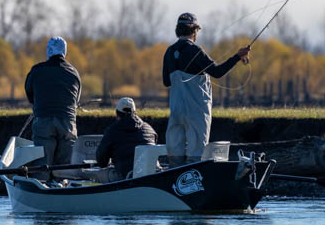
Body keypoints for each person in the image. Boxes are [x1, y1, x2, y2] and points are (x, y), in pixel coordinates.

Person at [162, 12, 250, 165]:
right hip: (196, 112)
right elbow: (217, 72)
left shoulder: (169, 52)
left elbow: (166, 82)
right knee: (196, 155)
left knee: (175, 155)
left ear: (178, 29)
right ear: (194, 30)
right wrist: (237, 56)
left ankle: (174, 181)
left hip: (176, 111)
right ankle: (192, 183)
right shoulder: (195, 51)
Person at [24, 36, 81, 168]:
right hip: (67, 122)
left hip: (43, 120)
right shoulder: (74, 73)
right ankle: (63, 185)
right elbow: (75, 100)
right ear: (64, 51)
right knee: (65, 168)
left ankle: (42, 185)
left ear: (49, 51)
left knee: (42, 165)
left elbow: (29, 94)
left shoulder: (36, 70)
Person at [95, 97, 158, 180]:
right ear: (135, 112)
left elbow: (102, 162)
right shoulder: (149, 128)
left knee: (99, 173)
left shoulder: (112, 131)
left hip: (126, 178)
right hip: (152, 174)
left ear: (117, 114)